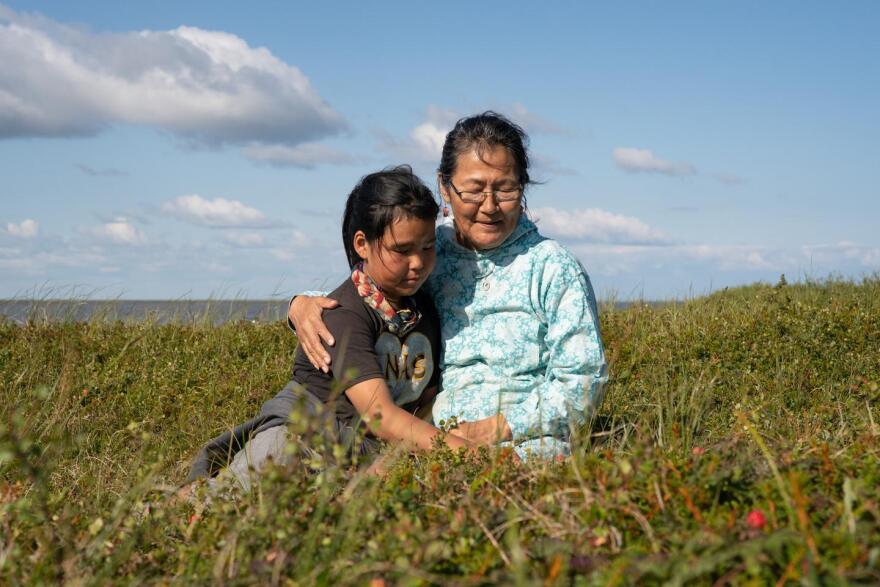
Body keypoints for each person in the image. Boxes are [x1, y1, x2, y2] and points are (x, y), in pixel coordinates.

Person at [291, 112, 608, 459]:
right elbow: (372, 291)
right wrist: (300, 306)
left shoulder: (553, 268)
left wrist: (496, 428)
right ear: (444, 186)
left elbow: (583, 383)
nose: (489, 207)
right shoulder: (429, 248)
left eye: (505, 189)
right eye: (473, 190)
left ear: (523, 186)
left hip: (527, 446)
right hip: (427, 442)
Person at [184, 166, 474, 493]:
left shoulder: (422, 309)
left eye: (427, 247)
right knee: (228, 503)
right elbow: (380, 416)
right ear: (362, 244)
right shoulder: (343, 314)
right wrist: (467, 452)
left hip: (361, 450)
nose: (418, 262)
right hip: (301, 438)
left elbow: (423, 402)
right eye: (402, 250)